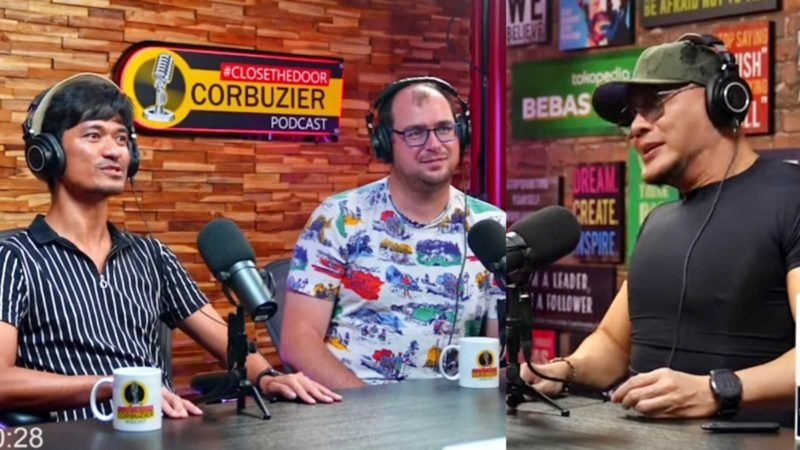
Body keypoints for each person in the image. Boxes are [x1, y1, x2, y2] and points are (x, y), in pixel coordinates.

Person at [0, 73, 341, 422]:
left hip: (161, 433)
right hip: (76, 437)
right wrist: (111, 385)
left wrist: (267, 377)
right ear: (48, 153)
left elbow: (223, 338)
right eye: (93, 135)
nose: (114, 150)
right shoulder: (14, 258)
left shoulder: (152, 256)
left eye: (122, 138)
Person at [523, 34, 798, 421]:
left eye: (653, 104)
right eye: (630, 116)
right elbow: (612, 344)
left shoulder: (791, 198)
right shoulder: (658, 222)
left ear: (720, 98)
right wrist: (562, 371)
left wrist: (715, 390)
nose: (636, 127)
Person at [281, 77, 506, 389]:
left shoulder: (488, 226)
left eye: (444, 129)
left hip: (458, 409)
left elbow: (496, 348)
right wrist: (371, 408)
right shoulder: (339, 218)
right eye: (415, 133)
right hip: (354, 407)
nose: (434, 145)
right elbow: (298, 341)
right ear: (385, 143)